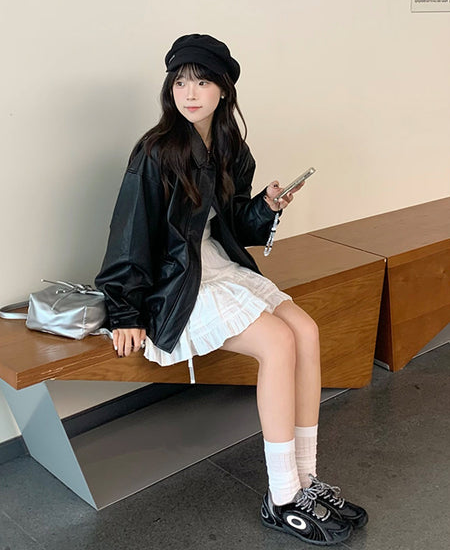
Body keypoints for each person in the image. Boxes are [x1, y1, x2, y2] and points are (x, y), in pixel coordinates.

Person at [95, 33, 367, 546]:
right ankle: (282, 495)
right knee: (278, 342)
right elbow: (129, 232)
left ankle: (305, 479)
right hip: (176, 282)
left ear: (223, 89)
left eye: (201, 82)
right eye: (180, 82)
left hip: (216, 265)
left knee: (306, 332)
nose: (189, 92)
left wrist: (266, 207)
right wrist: (124, 311)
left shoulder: (230, 148)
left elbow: (232, 224)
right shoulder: (156, 150)